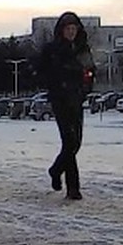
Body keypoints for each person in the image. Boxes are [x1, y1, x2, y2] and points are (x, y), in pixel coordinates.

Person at [32, 11, 97, 200]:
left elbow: (90, 71)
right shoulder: (52, 50)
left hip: (76, 99)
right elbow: (41, 71)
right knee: (69, 142)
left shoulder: (82, 49)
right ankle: (73, 188)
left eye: (73, 28)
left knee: (75, 143)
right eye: (68, 29)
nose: (71, 32)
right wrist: (55, 84)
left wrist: (86, 87)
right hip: (60, 100)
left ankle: (55, 170)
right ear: (61, 31)